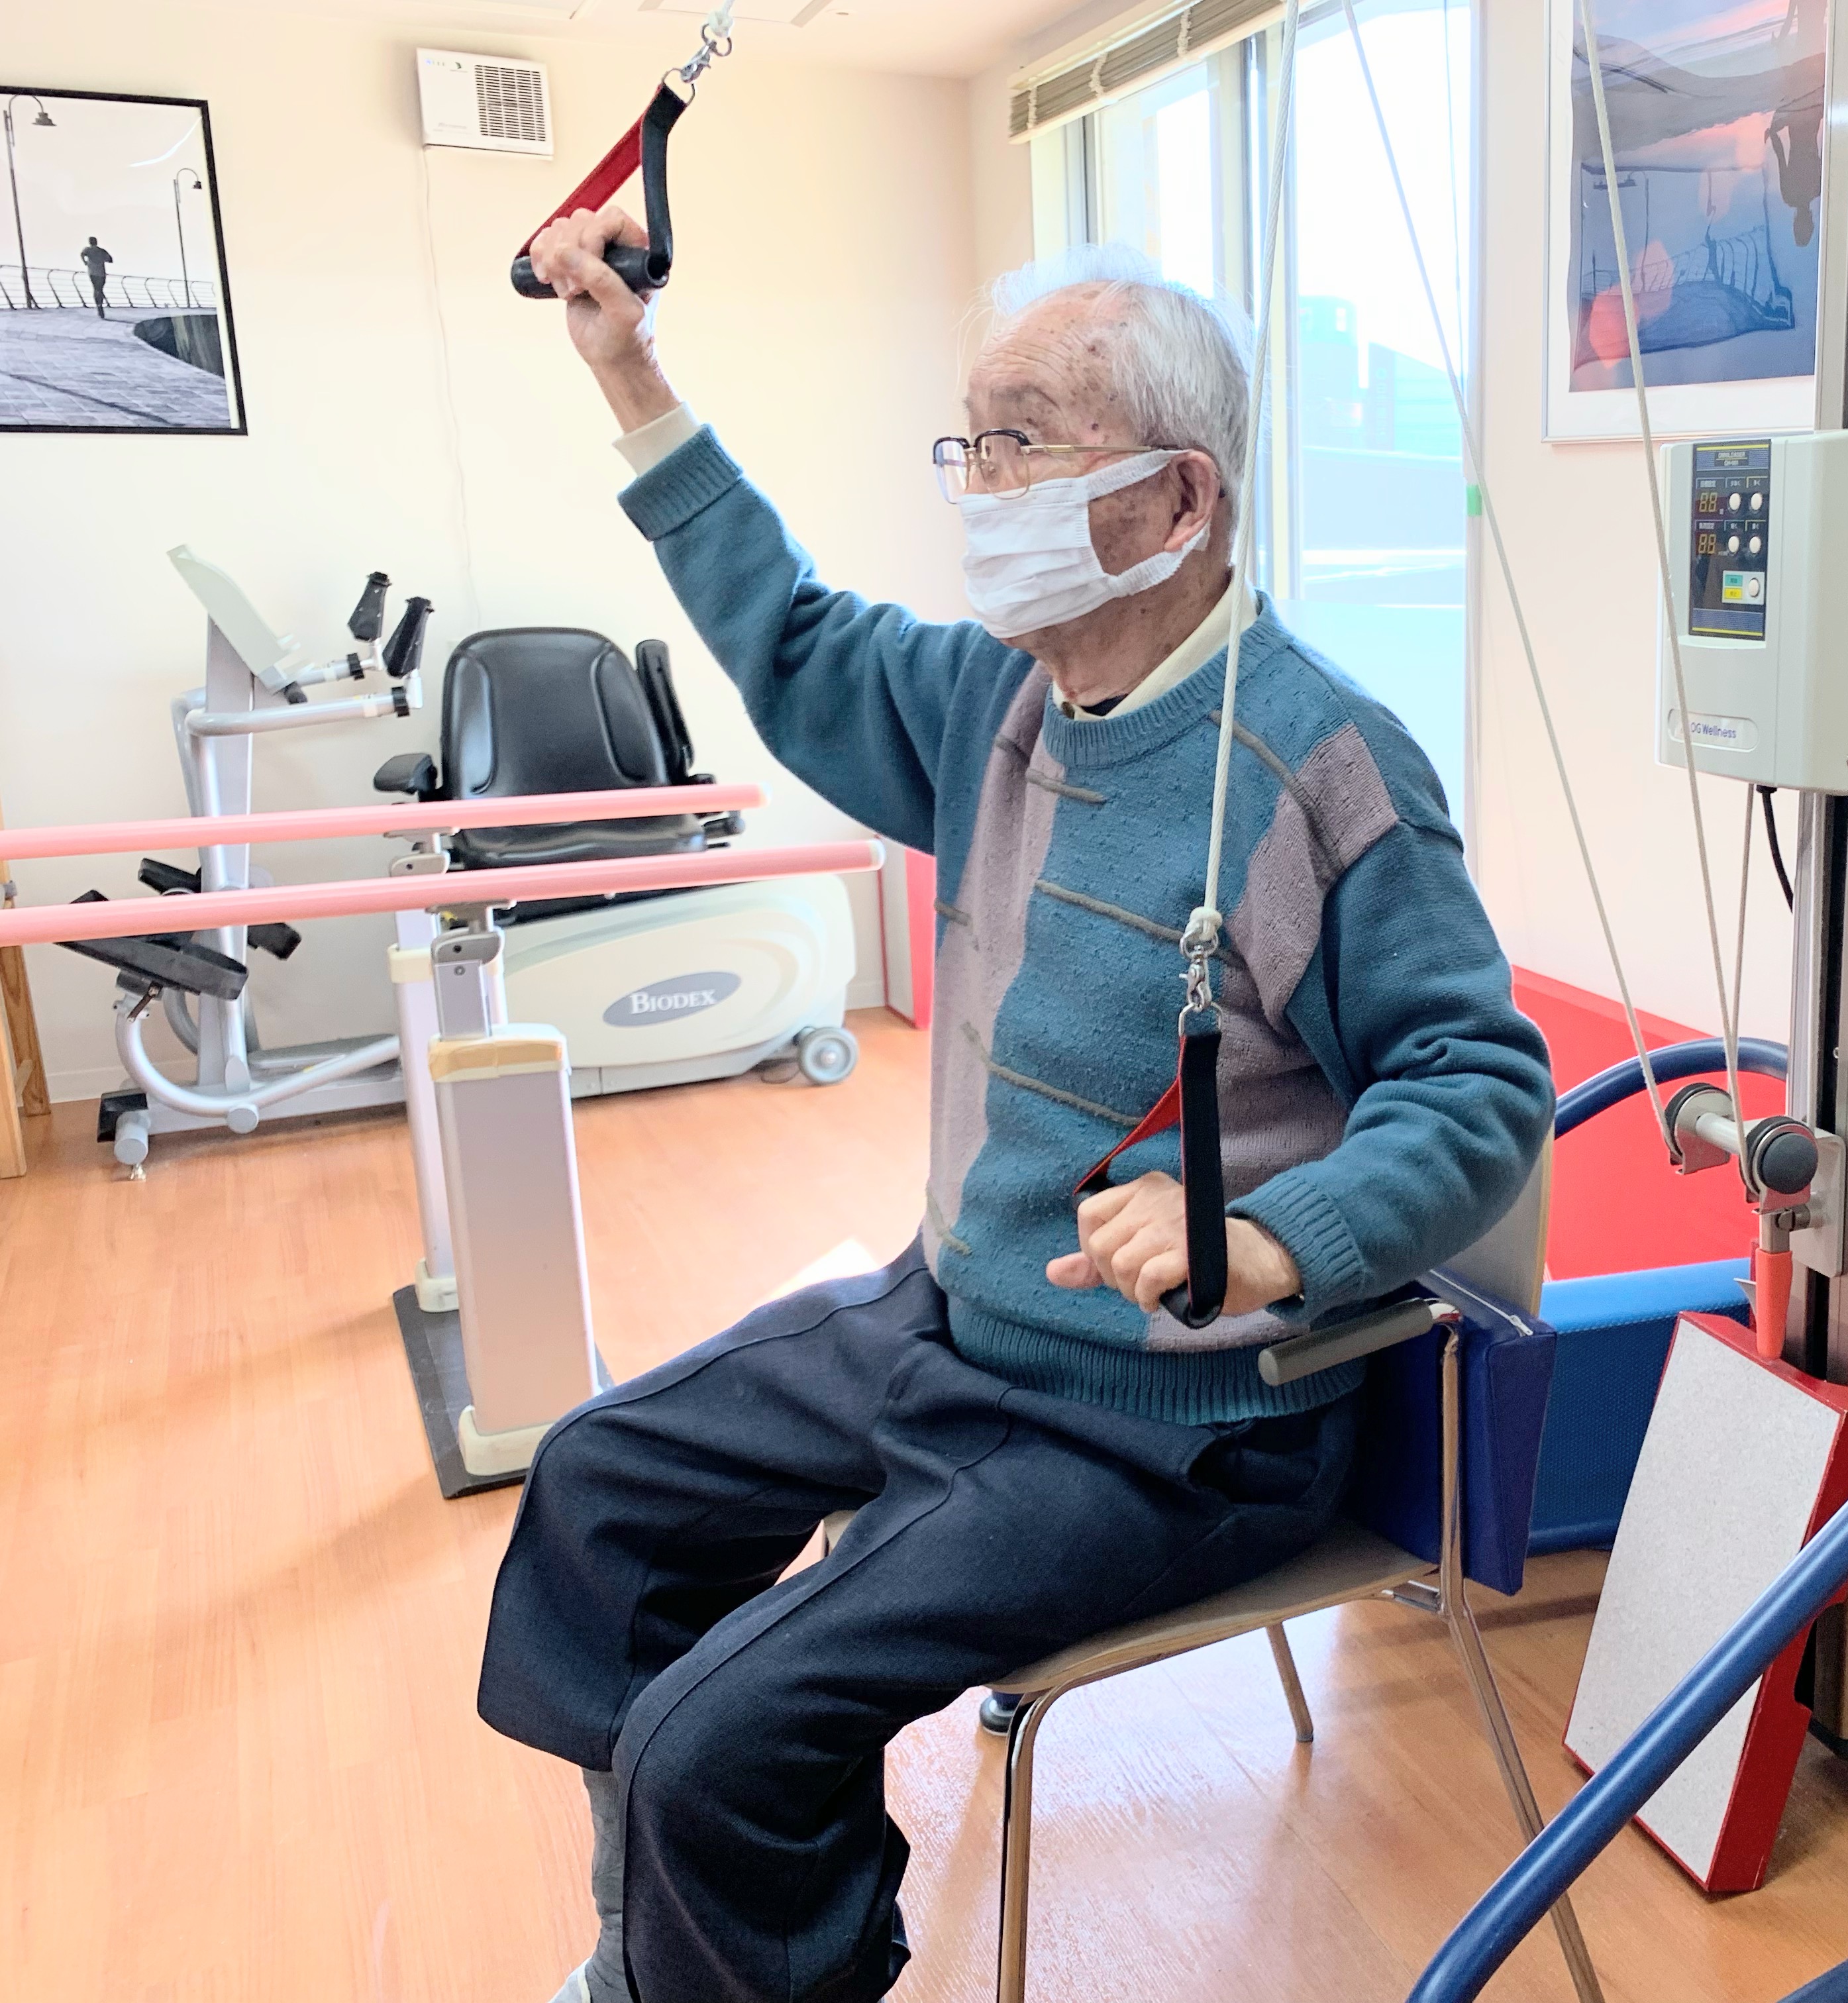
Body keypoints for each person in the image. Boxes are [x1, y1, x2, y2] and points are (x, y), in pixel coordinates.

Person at [495, 209, 1553, 2003]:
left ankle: (715, 1947)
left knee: (715, 1739)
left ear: (1178, 498)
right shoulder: (1006, 698)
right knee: (602, 1491)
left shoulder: (1321, 766)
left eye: (1021, 442)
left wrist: (1269, 1235)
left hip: (1170, 1426)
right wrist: (630, 370)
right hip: (953, 1316)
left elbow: (1478, 1080)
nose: (976, 486)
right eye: (969, 443)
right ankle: (672, 1952)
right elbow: (792, 635)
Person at [79, 236, 111, 317]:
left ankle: (98, 304)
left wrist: (85, 262)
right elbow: (110, 260)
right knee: (99, 289)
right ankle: (100, 303)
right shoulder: (101, 251)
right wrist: (102, 259)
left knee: (96, 289)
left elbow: (82, 254)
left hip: (92, 273)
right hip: (102, 273)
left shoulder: (87, 250)